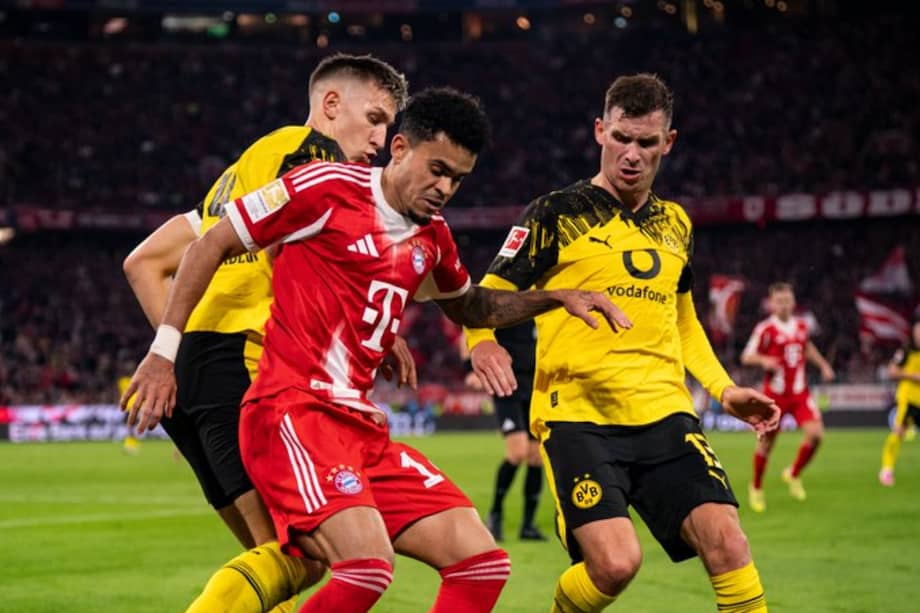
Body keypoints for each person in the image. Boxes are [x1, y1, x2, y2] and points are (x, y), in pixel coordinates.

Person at [123, 87, 631, 613]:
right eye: (436, 169)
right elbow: (212, 243)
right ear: (400, 147)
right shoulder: (326, 187)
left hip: (361, 429)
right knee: (364, 569)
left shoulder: (432, 238)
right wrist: (164, 352)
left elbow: (472, 306)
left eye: (457, 179)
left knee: (482, 564)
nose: (444, 188)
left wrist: (555, 297)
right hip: (292, 411)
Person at [465, 74, 779, 613]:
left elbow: (682, 322)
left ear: (668, 143)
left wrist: (724, 391)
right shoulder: (555, 214)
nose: (631, 154)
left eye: (646, 142)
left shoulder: (676, 223)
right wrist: (480, 340)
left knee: (729, 542)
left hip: (664, 412)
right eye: (621, 138)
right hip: (578, 416)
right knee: (614, 564)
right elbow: (486, 295)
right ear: (599, 132)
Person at [122, 53, 415, 613]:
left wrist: (172, 355)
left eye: (388, 125)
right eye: (375, 118)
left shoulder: (238, 175)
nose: (381, 139)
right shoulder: (315, 156)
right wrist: (364, 325)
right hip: (240, 368)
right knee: (302, 555)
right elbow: (296, 254)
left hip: (195, 375)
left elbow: (143, 263)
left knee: (272, 559)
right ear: (331, 105)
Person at [741, 282, 835, 511]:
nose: (784, 305)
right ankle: (756, 487)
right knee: (767, 445)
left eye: (787, 301)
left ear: (793, 302)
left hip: (800, 393)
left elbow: (807, 348)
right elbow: (746, 356)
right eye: (779, 301)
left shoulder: (801, 326)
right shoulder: (765, 329)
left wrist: (823, 365)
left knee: (816, 435)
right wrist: (763, 361)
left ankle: (793, 473)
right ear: (772, 304)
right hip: (774, 396)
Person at [462, 321, 547, 542]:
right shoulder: (507, 298)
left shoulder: (543, 301)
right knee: (517, 453)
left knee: (537, 457)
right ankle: (495, 514)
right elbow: (470, 326)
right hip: (506, 382)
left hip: (537, 384)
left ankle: (528, 525)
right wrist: (470, 368)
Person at [879, 319, 920, 486]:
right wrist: (913, 376)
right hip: (908, 399)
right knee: (898, 433)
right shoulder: (906, 351)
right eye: (918, 332)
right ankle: (886, 470)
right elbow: (892, 371)